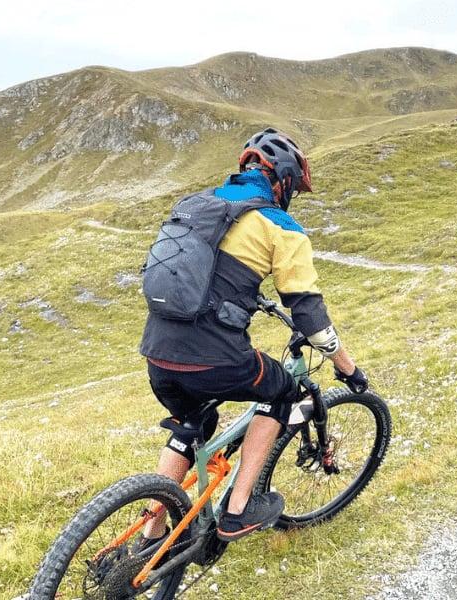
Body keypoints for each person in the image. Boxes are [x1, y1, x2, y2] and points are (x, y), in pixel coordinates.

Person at [138, 128, 369, 547]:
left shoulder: (196, 205)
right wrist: (348, 370)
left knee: (194, 423)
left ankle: (150, 532)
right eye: (292, 187)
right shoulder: (280, 225)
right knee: (282, 392)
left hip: (157, 353)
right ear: (281, 181)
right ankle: (238, 508)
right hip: (214, 358)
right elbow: (310, 316)